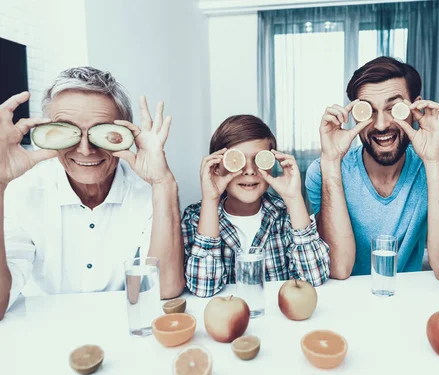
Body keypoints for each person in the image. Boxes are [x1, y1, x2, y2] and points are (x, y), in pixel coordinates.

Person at [0, 67, 184, 320]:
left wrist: (163, 182)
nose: (86, 150)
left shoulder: (149, 192)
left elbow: (165, 289)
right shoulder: (21, 191)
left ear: (125, 134)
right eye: (68, 132)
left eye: (103, 132)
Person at [305, 56, 439, 280]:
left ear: (415, 108)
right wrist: (331, 162)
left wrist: (434, 161)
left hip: (404, 298)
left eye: (394, 108)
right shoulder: (322, 171)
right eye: (368, 111)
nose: (381, 125)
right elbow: (338, 269)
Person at [181, 115, 330, 297]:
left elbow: (315, 277)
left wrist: (294, 198)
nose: (250, 170)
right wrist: (211, 200)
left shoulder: (286, 214)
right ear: (217, 167)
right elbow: (203, 288)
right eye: (237, 160)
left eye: (259, 160)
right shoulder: (195, 219)